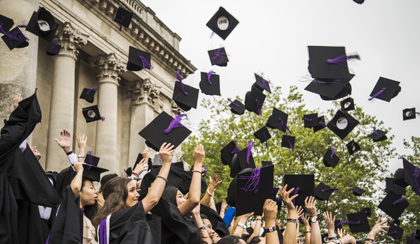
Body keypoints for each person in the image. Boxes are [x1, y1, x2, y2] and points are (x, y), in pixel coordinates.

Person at [93, 142, 175, 244]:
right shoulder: (115, 219)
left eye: (136, 190)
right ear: (118, 195)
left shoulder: (121, 219)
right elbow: (152, 199)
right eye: (132, 190)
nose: (138, 194)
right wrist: (166, 164)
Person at [150, 144, 206, 244]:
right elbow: (193, 200)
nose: (184, 199)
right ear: (169, 199)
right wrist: (197, 164)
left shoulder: (187, 220)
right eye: (180, 196)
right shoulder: (167, 218)